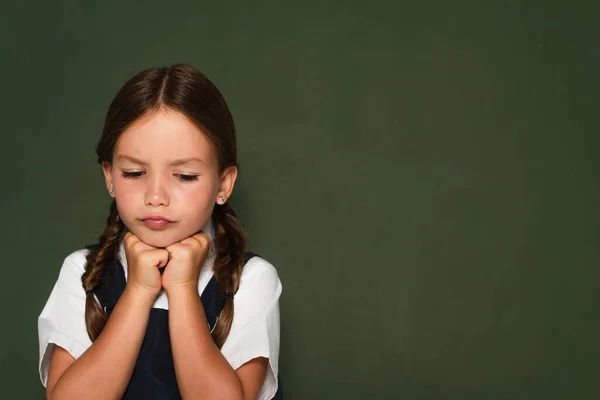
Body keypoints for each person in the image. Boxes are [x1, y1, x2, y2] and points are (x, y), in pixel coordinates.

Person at [37, 64, 282, 400]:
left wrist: (181, 288)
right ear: (109, 176)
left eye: (184, 176)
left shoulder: (251, 280)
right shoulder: (82, 273)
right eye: (134, 173)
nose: (155, 197)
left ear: (223, 183)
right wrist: (138, 288)